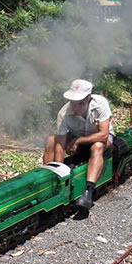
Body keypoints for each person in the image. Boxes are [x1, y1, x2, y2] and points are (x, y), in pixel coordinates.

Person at [43, 79, 114, 210]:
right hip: (76, 136)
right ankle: (48, 178)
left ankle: (88, 191)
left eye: (80, 103)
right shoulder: (63, 113)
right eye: (73, 102)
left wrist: (78, 141)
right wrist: (60, 171)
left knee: (97, 146)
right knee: (51, 140)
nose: (76, 107)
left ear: (88, 99)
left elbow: (103, 135)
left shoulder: (101, 104)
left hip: (100, 139)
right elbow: (59, 144)